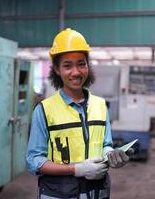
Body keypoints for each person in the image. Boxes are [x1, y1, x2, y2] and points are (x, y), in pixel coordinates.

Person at [26, 28, 132, 199]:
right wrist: (76, 169)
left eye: (81, 64)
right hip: (59, 194)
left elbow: (105, 144)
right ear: (57, 69)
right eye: (67, 65)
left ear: (87, 66)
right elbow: (34, 161)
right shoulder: (44, 110)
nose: (76, 72)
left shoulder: (100, 105)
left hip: (97, 192)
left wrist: (111, 155)